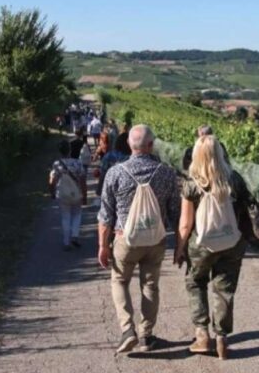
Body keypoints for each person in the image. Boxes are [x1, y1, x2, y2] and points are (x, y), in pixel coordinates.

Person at [97, 125, 180, 354]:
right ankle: (146, 335)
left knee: (120, 281)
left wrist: (103, 245)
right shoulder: (166, 173)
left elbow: (105, 215)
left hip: (125, 239)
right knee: (150, 286)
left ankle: (127, 330)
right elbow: (175, 213)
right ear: (151, 145)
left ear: (129, 145)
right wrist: (180, 245)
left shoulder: (115, 172)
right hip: (155, 240)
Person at [174, 135, 251, 360]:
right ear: (220, 152)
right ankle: (222, 338)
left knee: (195, 282)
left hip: (201, 245)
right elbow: (246, 210)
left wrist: (180, 248)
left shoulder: (192, 183)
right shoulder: (234, 179)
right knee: (224, 288)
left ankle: (201, 334)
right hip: (232, 242)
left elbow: (186, 223)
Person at [49, 141, 88, 251]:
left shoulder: (57, 164)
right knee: (77, 215)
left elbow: (52, 180)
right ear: (70, 150)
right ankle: (75, 235)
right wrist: (84, 195)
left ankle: (66, 242)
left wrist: (52, 192)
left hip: (62, 194)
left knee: (65, 217)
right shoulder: (78, 163)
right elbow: (82, 180)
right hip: (76, 193)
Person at [97, 132, 131, 196]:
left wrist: (100, 191)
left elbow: (103, 173)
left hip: (110, 189)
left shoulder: (109, 155)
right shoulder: (132, 157)